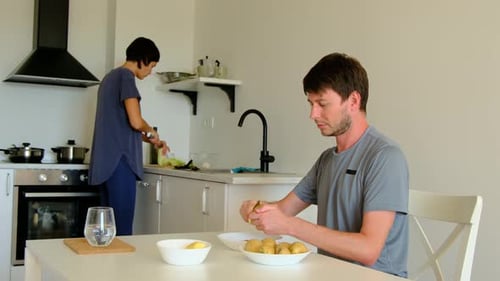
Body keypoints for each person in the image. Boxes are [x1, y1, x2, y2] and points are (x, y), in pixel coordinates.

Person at [240, 53, 409, 277]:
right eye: (311, 104)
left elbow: (369, 250)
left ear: (353, 101)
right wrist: (258, 209)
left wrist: (291, 226)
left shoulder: (385, 157)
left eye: (322, 104)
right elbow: (283, 210)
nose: (313, 114)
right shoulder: (327, 160)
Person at [89, 37, 169, 235]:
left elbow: (121, 125)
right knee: (122, 230)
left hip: (104, 164)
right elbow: (135, 121)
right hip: (120, 163)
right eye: (151, 66)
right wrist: (152, 131)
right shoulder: (126, 77)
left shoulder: (109, 78)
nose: (150, 72)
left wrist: (151, 140)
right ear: (142, 59)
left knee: (105, 231)